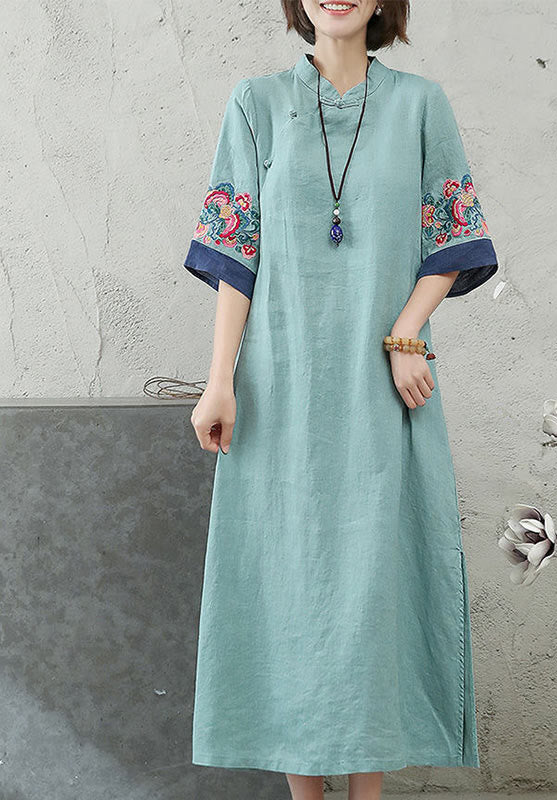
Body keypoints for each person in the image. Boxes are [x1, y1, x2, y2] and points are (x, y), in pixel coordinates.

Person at [184, 1, 499, 798]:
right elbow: (235, 258)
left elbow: (452, 242)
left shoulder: (421, 106)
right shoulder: (256, 105)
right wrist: (220, 379)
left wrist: (406, 332)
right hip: (280, 394)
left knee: (372, 590)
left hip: (379, 396)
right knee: (292, 591)